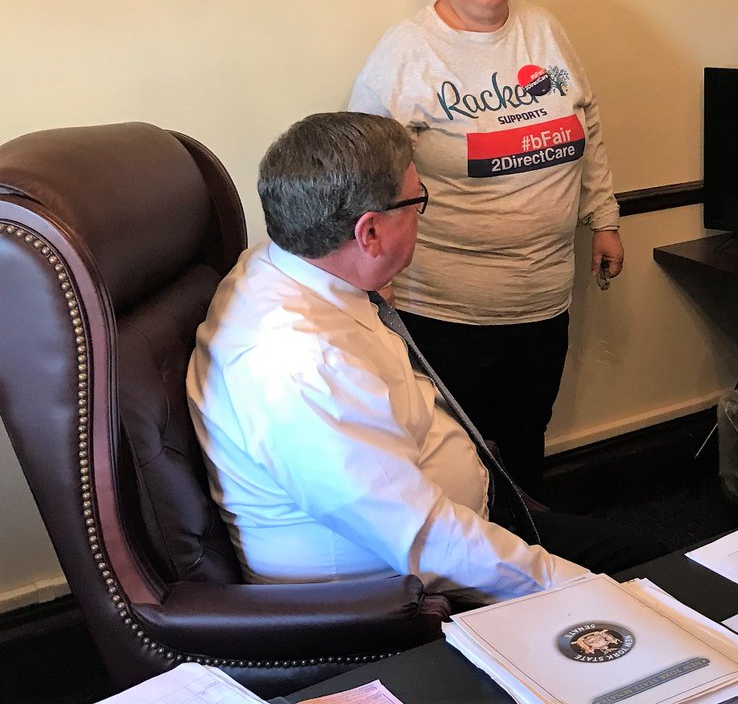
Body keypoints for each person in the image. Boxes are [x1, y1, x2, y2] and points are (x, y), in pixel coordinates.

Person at [188, 112, 658, 603]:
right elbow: (427, 543)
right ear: (369, 233)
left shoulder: (280, 266)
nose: (420, 213)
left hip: (453, 524)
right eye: (417, 201)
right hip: (394, 595)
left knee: (643, 554)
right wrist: (580, 590)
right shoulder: (305, 362)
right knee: (650, 573)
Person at [349, 0, 623, 499]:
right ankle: (467, 584)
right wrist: (373, 273)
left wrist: (603, 217)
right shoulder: (408, 51)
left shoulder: (544, 31)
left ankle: (530, 559)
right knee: (453, 457)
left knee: (525, 439)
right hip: (446, 308)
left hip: (543, 300)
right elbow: (366, 171)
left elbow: (588, 124)